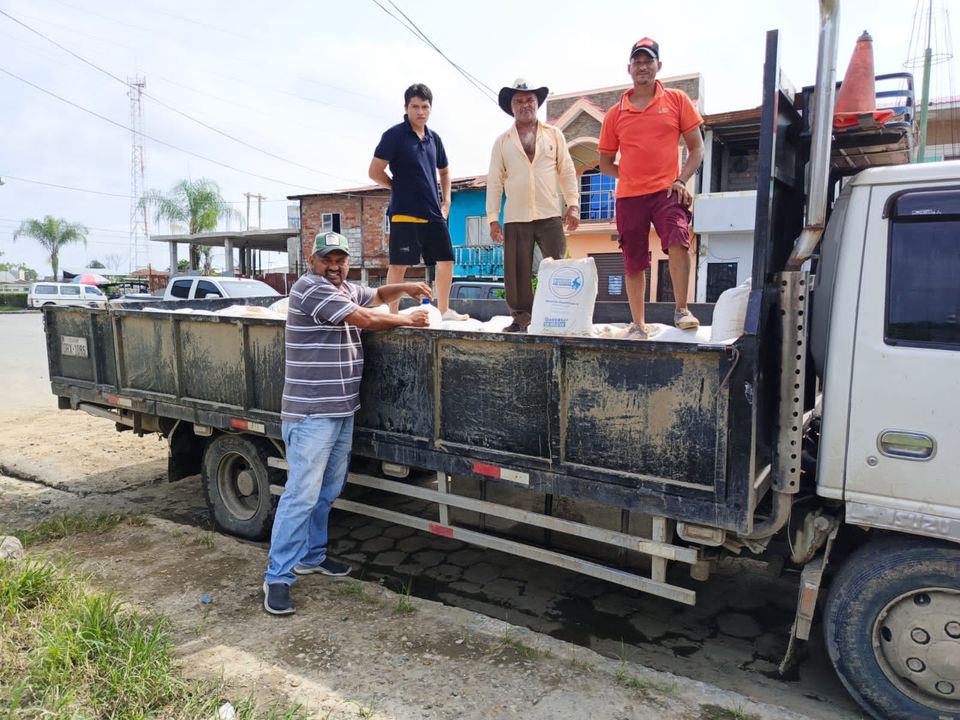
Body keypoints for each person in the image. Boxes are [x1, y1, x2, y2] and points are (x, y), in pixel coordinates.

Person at [263, 231, 431, 615]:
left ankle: (312, 556)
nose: (334, 266)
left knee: (327, 490)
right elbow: (365, 318)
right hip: (311, 415)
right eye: (327, 259)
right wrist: (406, 318)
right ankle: (277, 576)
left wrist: (404, 287)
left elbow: (376, 296)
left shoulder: (344, 288)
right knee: (302, 495)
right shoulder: (310, 288)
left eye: (340, 260)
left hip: (341, 411)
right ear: (312, 260)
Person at [598, 37, 705, 339]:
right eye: (637, 62)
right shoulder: (615, 113)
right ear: (629, 68)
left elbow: (697, 148)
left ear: (659, 66)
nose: (643, 67)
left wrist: (681, 179)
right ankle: (638, 324)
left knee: (678, 238)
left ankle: (682, 309)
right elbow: (605, 163)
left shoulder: (677, 100)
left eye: (648, 61)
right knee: (633, 258)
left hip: (667, 190)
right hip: (630, 196)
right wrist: (630, 175)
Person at [369, 83, 468, 321]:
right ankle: (392, 313)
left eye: (425, 107)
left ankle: (443, 311)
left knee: (446, 260)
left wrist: (446, 201)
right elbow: (374, 171)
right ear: (406, 107)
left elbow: (445, 171)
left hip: (433, 212)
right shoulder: (394, 135)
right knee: (399, 265)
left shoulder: (435, 139)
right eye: (415, 107)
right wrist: (396, 186)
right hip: (405, 212)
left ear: (430, 108)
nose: (420, 112)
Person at [487, 79, 580, 333]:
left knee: (557, 265)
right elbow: (494, 181)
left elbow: (567, 170)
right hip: (516, 215)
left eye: (529, 100)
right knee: (516, 272)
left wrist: (573, 204)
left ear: (537, 103)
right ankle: (521, 318)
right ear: (512, 107)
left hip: (550, 212)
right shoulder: (502, 142)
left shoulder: (554, 135)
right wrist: (493, 218)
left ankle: (560, 315)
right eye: (519, 101)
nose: (525, 104)